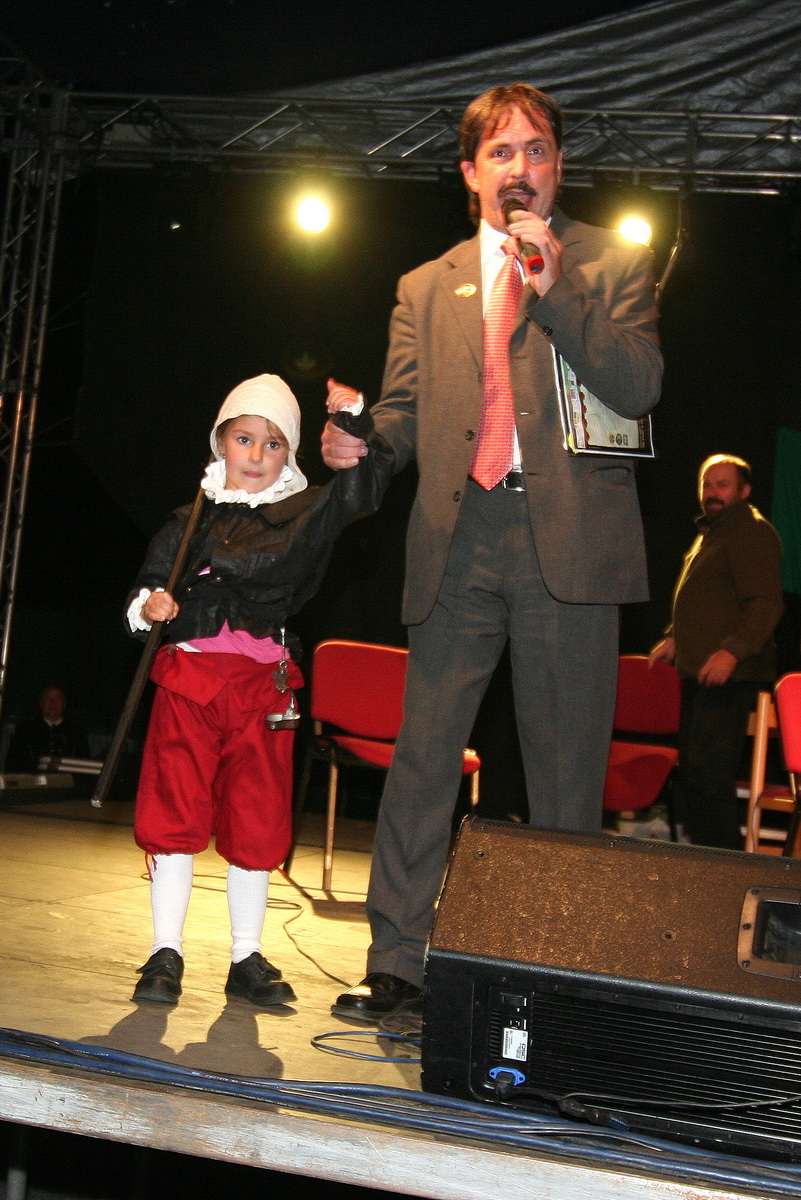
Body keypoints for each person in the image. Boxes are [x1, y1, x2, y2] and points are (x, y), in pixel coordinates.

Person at [322, 83, 663, 1022]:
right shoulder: (424, 286)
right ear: (469, 172)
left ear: (558, 167)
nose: (521, 168)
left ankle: (556, 974)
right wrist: (361, 443)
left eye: (537, 150)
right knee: (424, 758)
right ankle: (397, 959)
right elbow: (401, 414)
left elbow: (637, 385)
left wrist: (557, 287)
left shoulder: (611, 261)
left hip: (570, 543)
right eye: (501, 152)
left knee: (564, 770)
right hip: (458, 532)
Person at [127, 373, 392, 1007]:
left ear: (289, 453)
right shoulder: (187, 520)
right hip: (190, 681)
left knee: (257, 816)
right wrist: (151, 604)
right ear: (220, 441)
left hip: (263, 690)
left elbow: (363, 488)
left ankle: (245, 955)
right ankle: (165, 950)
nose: (255, 454)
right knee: (173, 810)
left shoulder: (309, 512)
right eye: (243, 438)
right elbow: (146, 587)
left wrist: (354, 422)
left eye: (273, 444)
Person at [649, 455, 783, 850]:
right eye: (707, 484)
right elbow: (706, 599)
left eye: (723, 484)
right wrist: (676, 637)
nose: (713, 492)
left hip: (730, 674)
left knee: (709, 775)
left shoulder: (750, 533)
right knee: (694, 772)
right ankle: (705, 858)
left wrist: (731, 652)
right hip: (700, 672)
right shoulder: (713, 533)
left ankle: (723, 864)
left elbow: (765, 604)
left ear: (745, 491)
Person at [6, 685, 89, 772]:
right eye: (48, 699)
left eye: (58, 699)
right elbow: (13, 765)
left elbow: (84, 766)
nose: (53, 703)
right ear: (41, 703)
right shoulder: (25, 731)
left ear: (64, 704)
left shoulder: (77, 732)